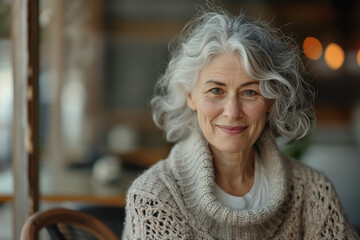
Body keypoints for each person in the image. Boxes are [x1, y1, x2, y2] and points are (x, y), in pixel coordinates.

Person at [122, 8, 359, 240]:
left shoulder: (313, 192)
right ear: (190, 96)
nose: (232, 112)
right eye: (216, 90)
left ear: (271, 100)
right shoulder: (154, 197)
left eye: (249, 92)